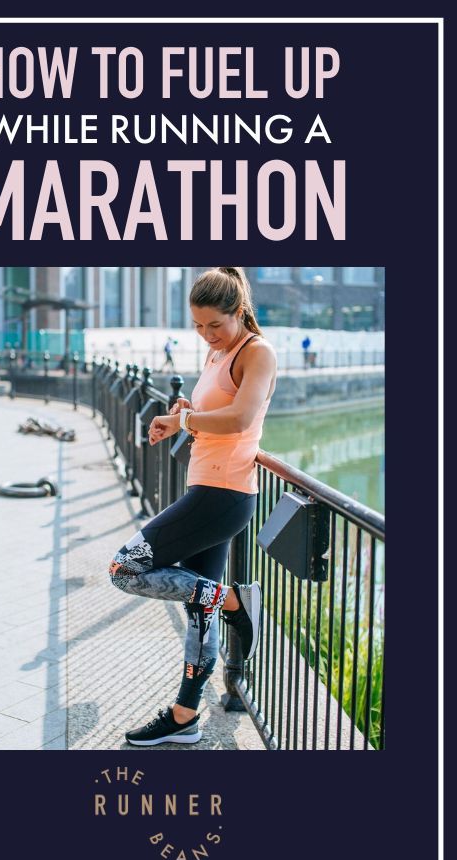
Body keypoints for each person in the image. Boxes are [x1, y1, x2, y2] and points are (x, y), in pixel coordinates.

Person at [108, 267, 277, 747]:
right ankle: (186, 716)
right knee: (199, 607)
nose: (206, 335)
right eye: (198, 326)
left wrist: (182, 418)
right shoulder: (217, 352)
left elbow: (242, 416)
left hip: (224, 495)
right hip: (207, 488)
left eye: (214, 326)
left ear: (239, 311)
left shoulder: (258, 353)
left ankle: (234, 600)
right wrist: (183, 411)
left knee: (125, 568)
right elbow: (210, 409)